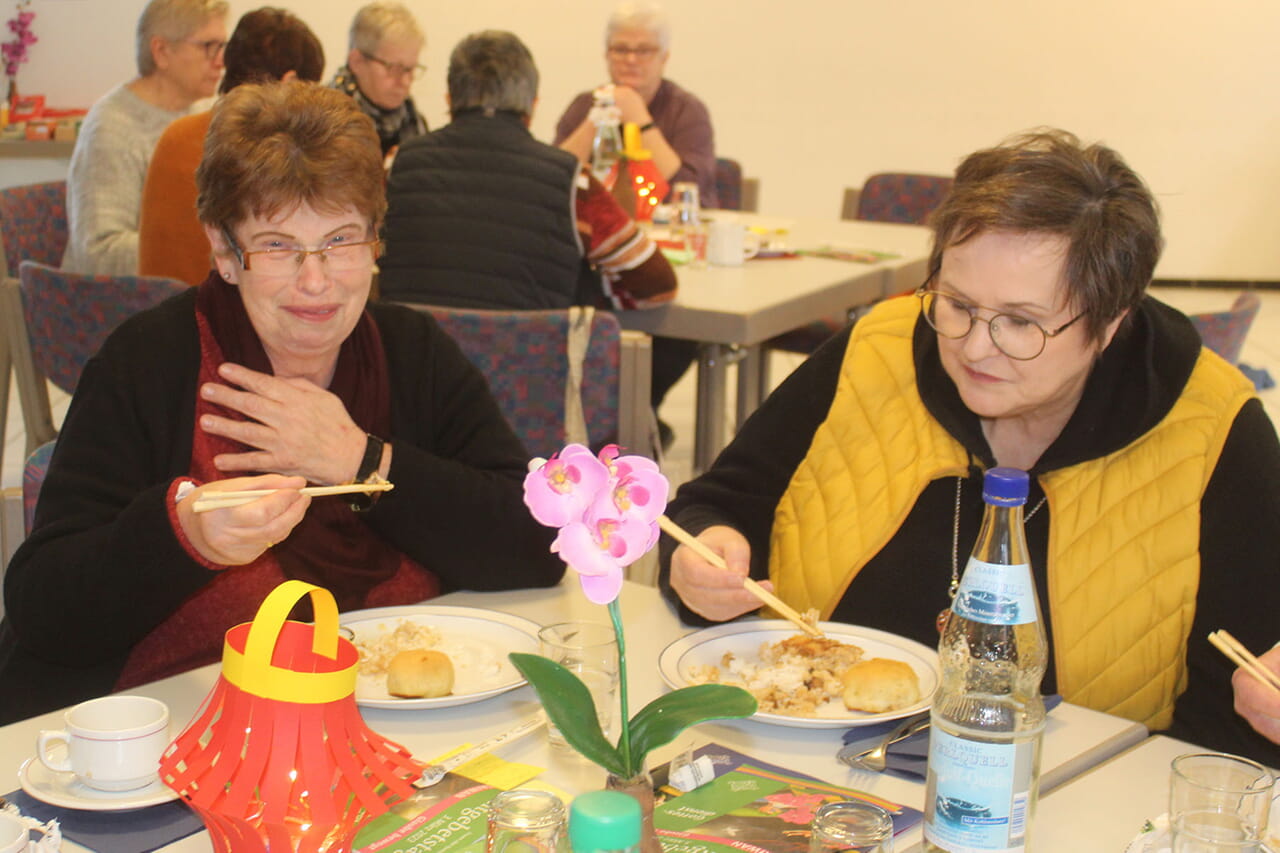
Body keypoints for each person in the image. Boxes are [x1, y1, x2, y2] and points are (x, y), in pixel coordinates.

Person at [659, 128, 1280, 763]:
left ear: (1110, 322)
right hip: (805, 763)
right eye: (957, 303)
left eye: (1022, 322)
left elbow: (1240, 717)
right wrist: (703, 555)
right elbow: (719, 505)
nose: (975, 347)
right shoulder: (880, 349)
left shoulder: (1213, 429)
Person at [0, 81, 563, 726]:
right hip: (176, 744)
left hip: (402, 731)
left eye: (342, 241)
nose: (316, 281)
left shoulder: (413, 353)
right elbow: (43, 608)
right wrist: (185, 537)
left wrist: (361, 460)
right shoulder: (150, 363)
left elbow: (535, 542)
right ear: (223, 249)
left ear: (376, 240)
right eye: (276, 245)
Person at [380, 30, 687, 431]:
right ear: (533, 107)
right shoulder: (570, 182)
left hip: (412, 401)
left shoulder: (397, 168)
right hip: (534, 413)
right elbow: (655, 283)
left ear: (449, 101)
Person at [139, 7, 324, 286]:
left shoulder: (177, 134)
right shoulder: (264, 150)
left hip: (160, 313)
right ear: (291, 83)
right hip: (218, 316)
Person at [63, 0, 228, 276]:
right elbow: (100, 254)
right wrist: (205, 244)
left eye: (223, 46)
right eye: (208, 47)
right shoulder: (111, 127)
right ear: (161, 51)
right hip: (120, 303)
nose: (220, 61)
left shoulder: (204, 113)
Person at [554, 1, 717, 209]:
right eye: (621, 50)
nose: (631, 59)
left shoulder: (687, 110)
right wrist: (598, 117)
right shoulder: (584, 105)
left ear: (664, 57)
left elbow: (688, 190)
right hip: (597, 230)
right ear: (606, 55)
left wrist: (639, 118)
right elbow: (553, 179)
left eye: (644, 51)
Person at [328, 1, 427, 158]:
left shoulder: (414, 122)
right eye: (394, 68)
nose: (405, 81)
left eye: (410, 69)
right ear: (357, 62)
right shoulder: (324, 123)